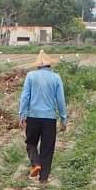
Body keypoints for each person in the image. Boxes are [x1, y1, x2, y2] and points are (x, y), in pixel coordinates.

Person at [17, 51, 67, 182]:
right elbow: (60, 100)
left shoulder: (30, 76)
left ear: (37, 66)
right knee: (47, 148)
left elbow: (25, 97)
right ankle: (43, 178)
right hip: (49, 118)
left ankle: (36, 163)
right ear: (49, 65)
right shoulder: (56, 77)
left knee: (31, 143)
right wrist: (63, 119)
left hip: (33, 117)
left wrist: (22, 114)